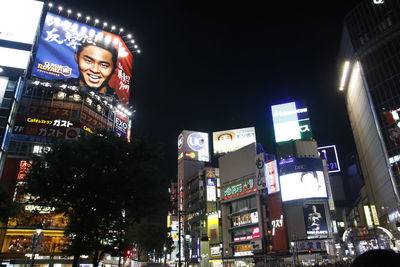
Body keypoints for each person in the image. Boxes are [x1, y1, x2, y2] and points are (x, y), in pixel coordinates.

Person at [53, 37, 118, 99]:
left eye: (104, 65)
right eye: (88, 61)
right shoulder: (59, 86)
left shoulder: (115, 100)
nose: (94, 70)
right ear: (76, 57)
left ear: (114, 69)